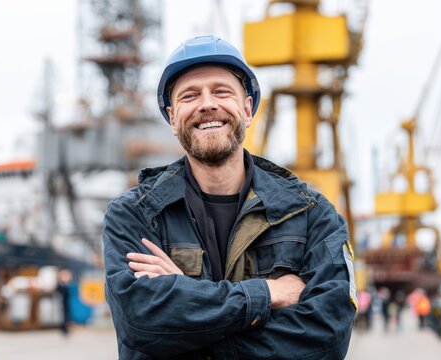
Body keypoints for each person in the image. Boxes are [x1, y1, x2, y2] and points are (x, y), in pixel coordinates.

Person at [103, 35, 357, 359]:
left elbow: (327, 338)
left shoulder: (309, 213)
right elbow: (141, 324)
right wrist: (268, 294)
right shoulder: (135, 214)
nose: (207, 104)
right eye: (189, 95)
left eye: (221, 91)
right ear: (172, 118)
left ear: (248, 109)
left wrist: (188, 304)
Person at [56, 269, 73, 336]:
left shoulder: (67, 285)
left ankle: (65, 329)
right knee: (62, 317)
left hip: (66, 303)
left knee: (66, 316)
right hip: (61, 303)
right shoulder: (60, 285)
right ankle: (63, 328)